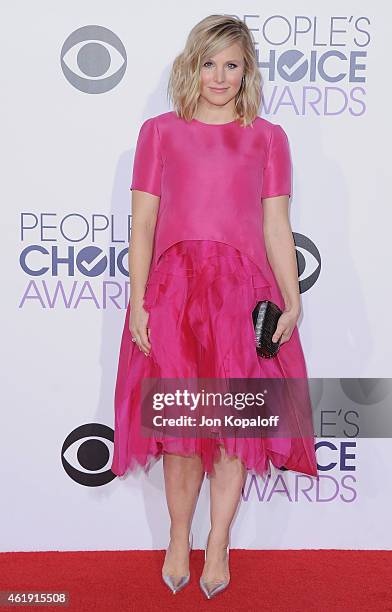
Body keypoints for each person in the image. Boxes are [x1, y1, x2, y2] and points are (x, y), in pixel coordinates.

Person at [111, 14, 319, 599]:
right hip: (174, 293)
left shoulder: (268, 137)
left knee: (233, 431)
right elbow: (143, 225)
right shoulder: (159, 132)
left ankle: (219, 541)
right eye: (210, 63)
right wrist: (138, 301)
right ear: (192, 65)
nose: (220, 76)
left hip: (242, 298)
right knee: (180, 424)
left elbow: (277, 226)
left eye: (232, 65)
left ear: (246, 71)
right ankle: (179, 535)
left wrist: (292, 300)